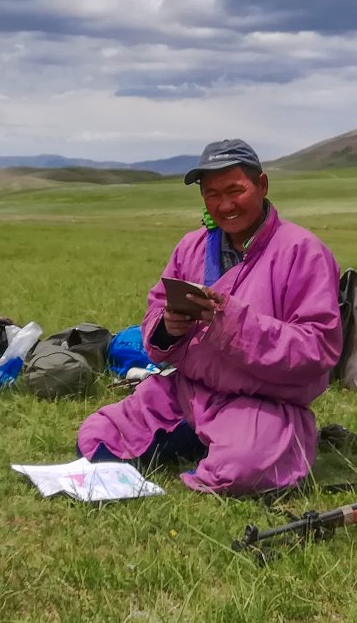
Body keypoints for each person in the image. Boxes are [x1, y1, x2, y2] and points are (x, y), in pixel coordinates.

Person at [76, 139, 342, 494]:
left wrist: (228, 319)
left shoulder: (302, 251)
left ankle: (243, 440)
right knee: (96, 438)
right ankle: (199, 435)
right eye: (212, 194)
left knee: (240, 470)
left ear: (261, 185)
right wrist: (168, 328)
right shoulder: (192, 246)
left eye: (236, 190)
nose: (225, 205)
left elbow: (317, 348)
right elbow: (156, 313)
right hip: (187, 391)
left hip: (261, 400)